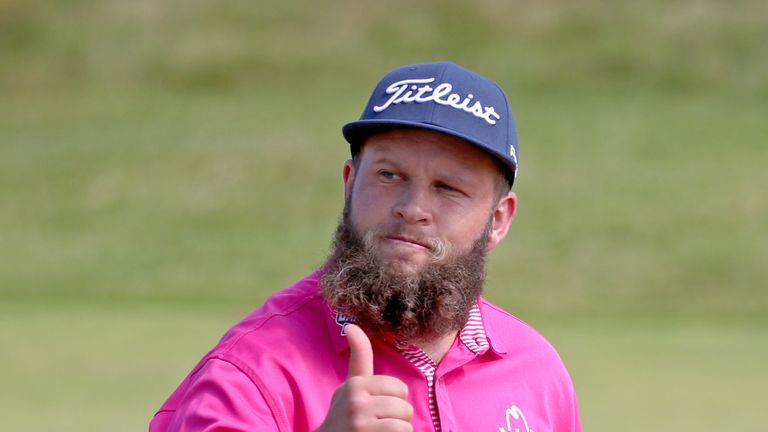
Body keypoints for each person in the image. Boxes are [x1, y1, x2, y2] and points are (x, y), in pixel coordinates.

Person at [150, 61, 582, 432]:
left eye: (448, 187)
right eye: (390, 175)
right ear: (350, 183)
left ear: (499, 220)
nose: (413, 209)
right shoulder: (250, 372)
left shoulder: (536, 371)